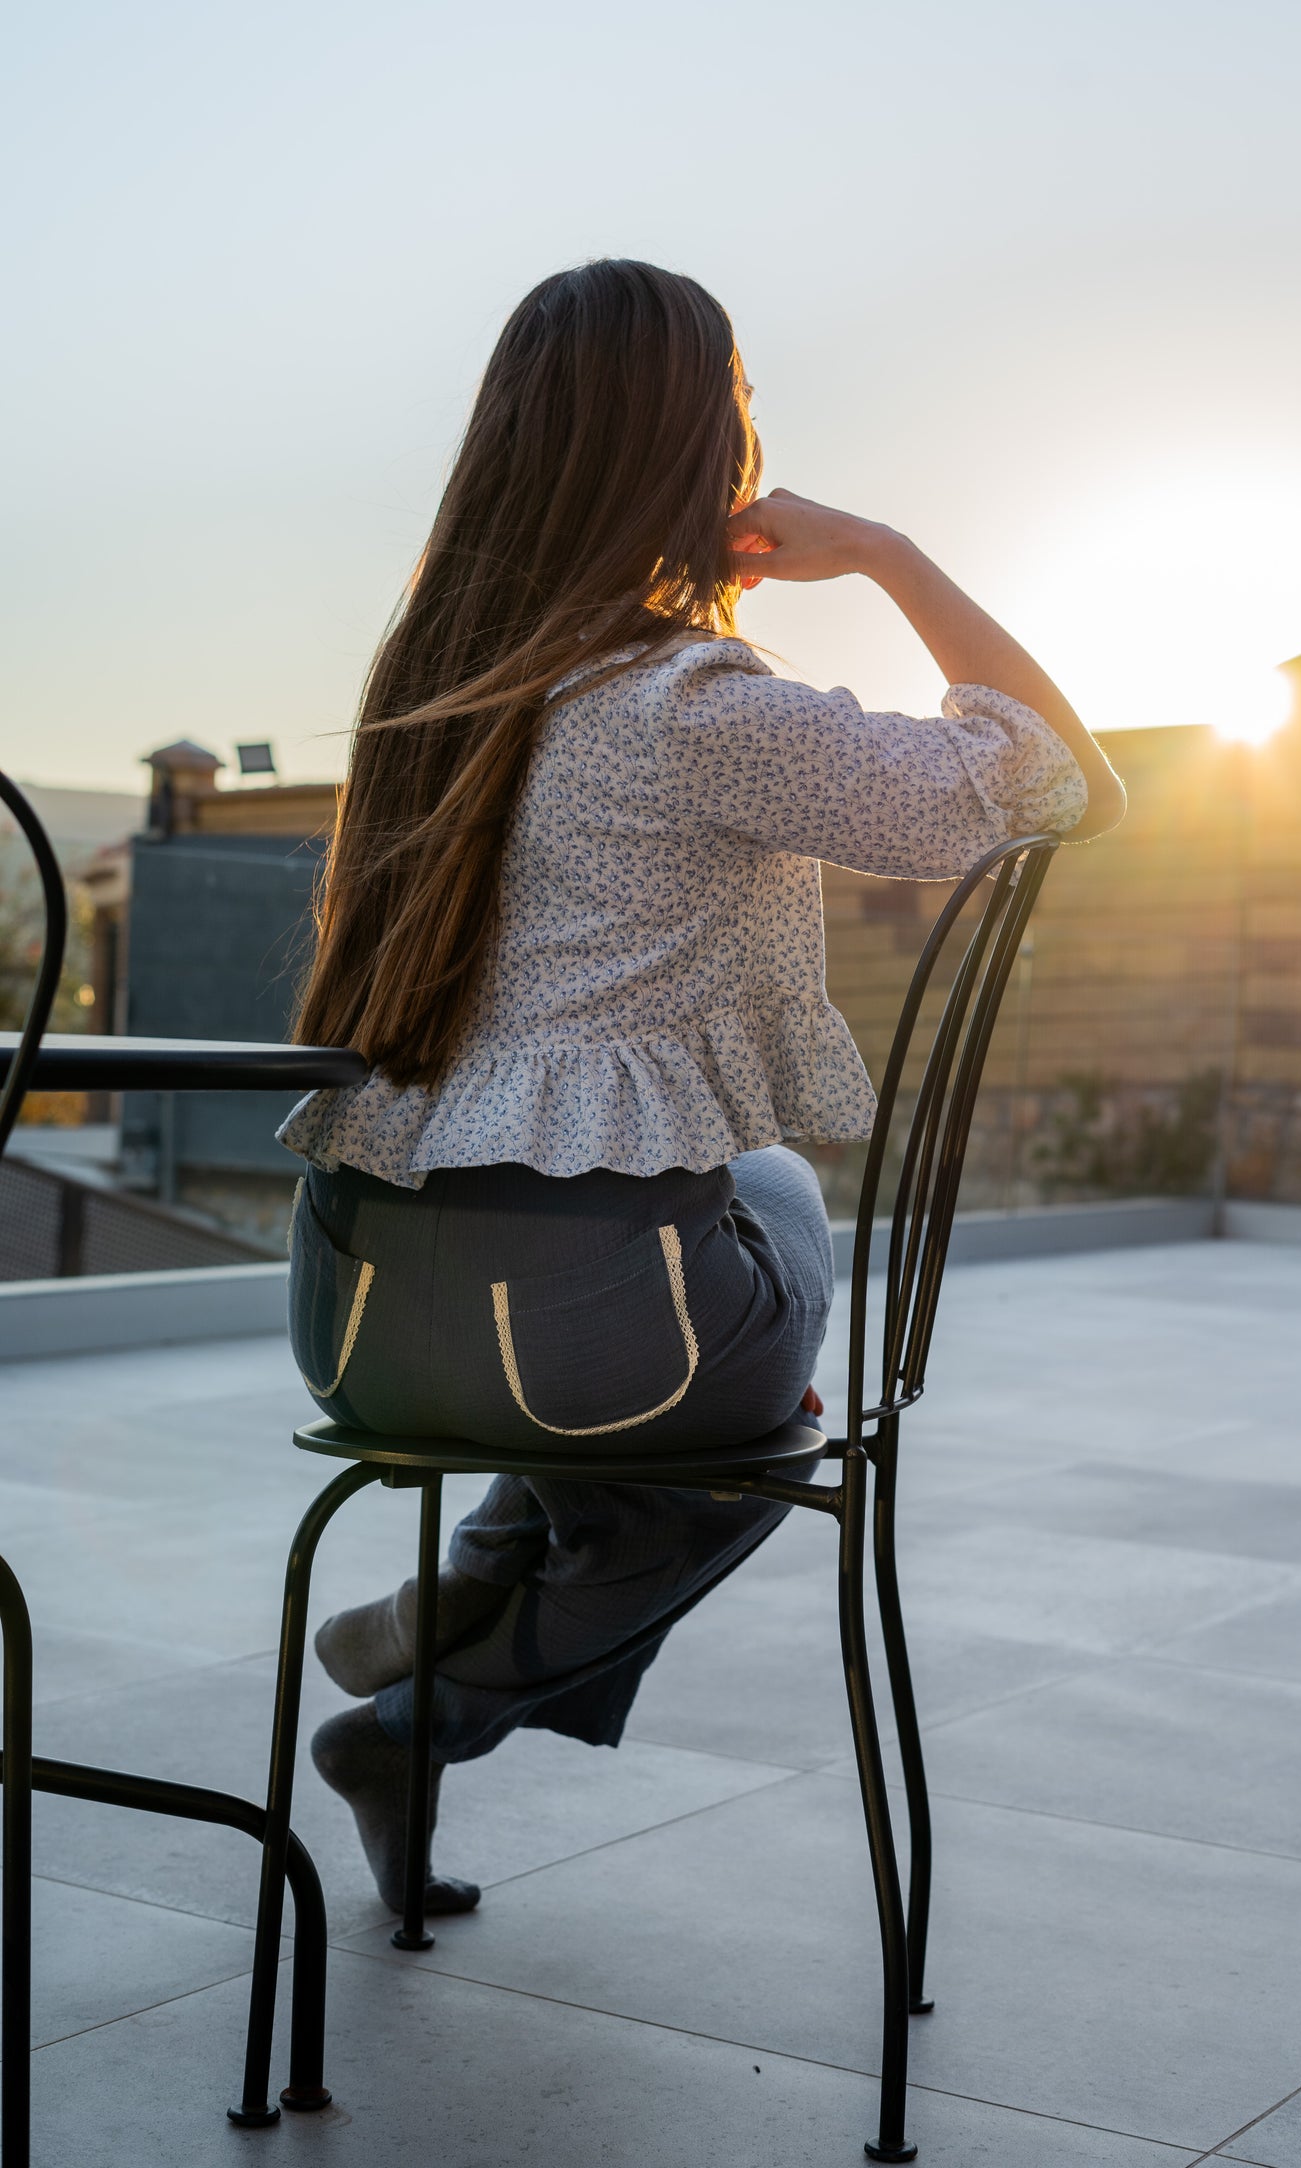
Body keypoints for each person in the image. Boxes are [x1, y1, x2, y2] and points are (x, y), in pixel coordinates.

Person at [280, 258, 1125, 1916]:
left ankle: (465, 1586)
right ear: (702, 447)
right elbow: (1057, 786)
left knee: (675, 1322)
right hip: (588, 1343)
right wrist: (885, 551)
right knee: (766, 1290)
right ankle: (440, 1683)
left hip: (355, 1321)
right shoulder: (686, 700)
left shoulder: (422, 701)